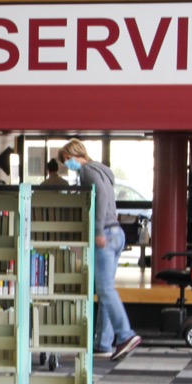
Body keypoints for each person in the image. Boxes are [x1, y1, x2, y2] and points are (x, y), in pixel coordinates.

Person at [57, 138, 141, 360]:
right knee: (105, 289)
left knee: (104, 289)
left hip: (106, 234)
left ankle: (125, 334)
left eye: (67, 161)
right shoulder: (103, 171)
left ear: (74, 155)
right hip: (117, 234)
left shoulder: (86, 171)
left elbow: (101, 196)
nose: (67, 166)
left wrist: (97, 230)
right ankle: (104, 344)